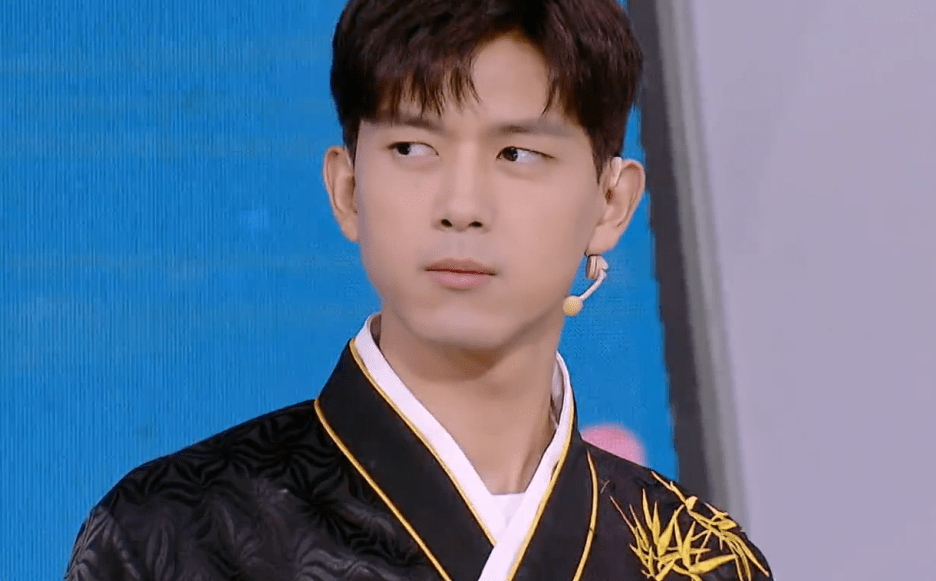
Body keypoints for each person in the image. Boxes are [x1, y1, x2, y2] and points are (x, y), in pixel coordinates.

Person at [64, 0, 772, 579]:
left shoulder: (704, 560)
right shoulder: (171, 533)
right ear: (347, 188)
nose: (461, 205)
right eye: (413, 148)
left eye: (517, 153)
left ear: (611, 204)